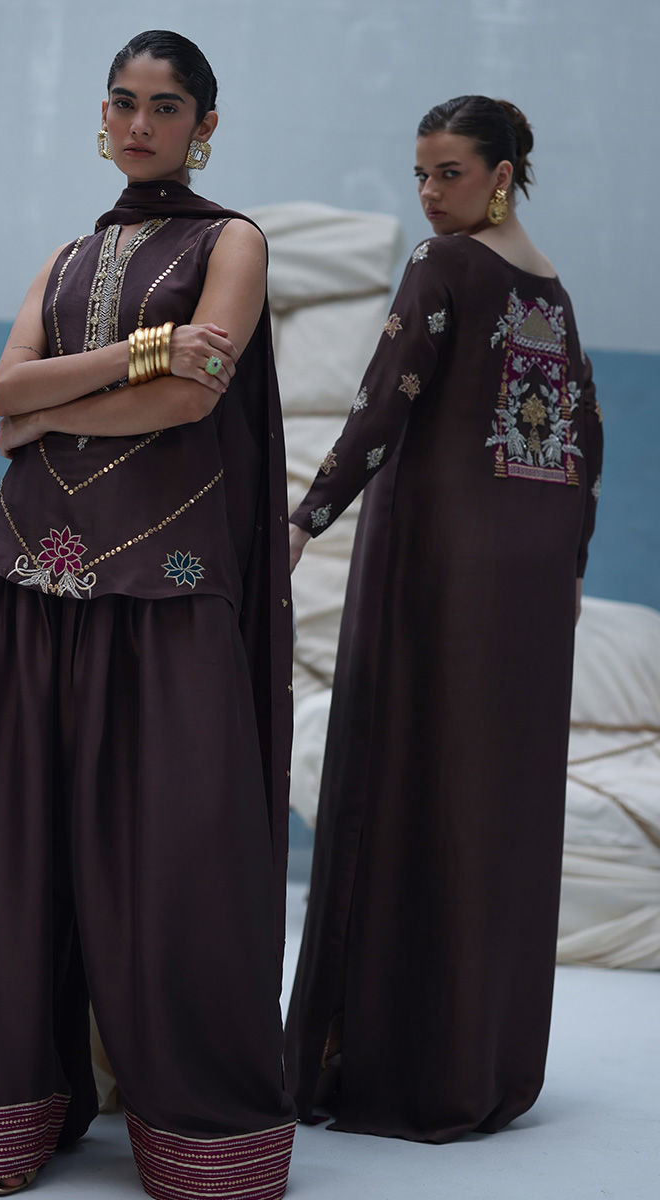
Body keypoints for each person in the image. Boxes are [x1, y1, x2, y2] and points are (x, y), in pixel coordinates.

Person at [0, 30, 296, 1198]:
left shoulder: (233, 241)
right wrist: (141, 353)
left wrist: (53, 405)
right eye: (122, 102)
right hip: (23, 580)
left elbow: (193, 399)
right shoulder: (67, 254)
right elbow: (2, 390)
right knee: (7, 851)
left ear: (204, 126)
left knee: (172, 853)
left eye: (164, 107)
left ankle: (198, 1139)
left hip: (162, 585)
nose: (138, 124)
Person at [283, 95, 603, 1143]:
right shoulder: (550, 291)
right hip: (530, 584)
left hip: (435, 568)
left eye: (449, 173)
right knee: (495, 807)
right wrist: (567, 563)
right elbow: (584, 439)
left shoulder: (443, 266)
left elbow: (384, 404)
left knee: (404, 789)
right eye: (419, 173)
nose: (427, 193)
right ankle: (484, 1065)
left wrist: (304, 519)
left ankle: (386, 1063)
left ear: (501, 175)